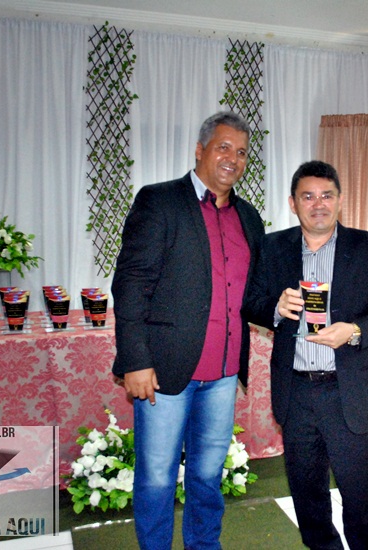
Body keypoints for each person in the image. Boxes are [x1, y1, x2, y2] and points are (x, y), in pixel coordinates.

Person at [111, 111, 265, 550]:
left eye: (241, 152)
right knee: (157, 476)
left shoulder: (249, 217)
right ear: (200, 150)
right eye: (223, 147)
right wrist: (135, 360)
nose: (232, 158)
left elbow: (255, 292)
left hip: (224, 373)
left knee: (207, 475)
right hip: (164, 373)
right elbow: (131, 283)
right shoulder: (159, 201)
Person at [242, 160, 368, 550]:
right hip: (296, 392)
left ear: (340, 200)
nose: (318, 204)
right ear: (293, 203)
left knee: (363, 499)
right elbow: (251, 302)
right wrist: (274, 307)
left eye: (326, 195)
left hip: (348, 390)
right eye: (308, 196)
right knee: (308, 497)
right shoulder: (272, 247)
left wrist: (355, 330)